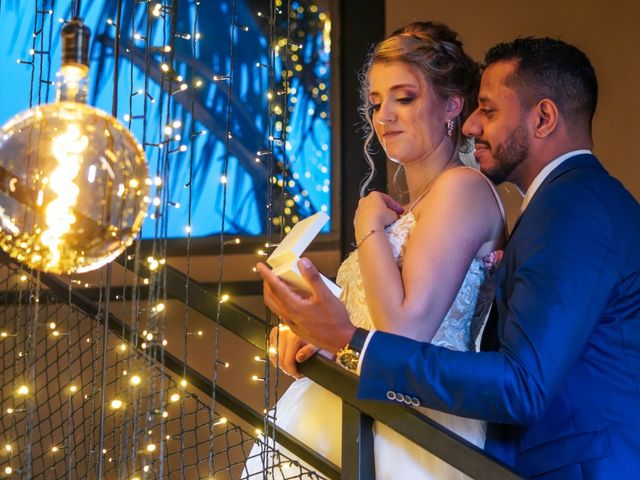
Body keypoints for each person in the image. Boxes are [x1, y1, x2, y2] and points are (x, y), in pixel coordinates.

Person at [258, 36, 640, 479]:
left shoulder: (575, 205)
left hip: (578, 465)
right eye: (376, 102)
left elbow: (522, 384)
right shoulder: (552, 207)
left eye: (489, 110)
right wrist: (318, 338)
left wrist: (351, 344)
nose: (473, 125)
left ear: (544, 118)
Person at [244, 22, 507, 479]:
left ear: (452, 105)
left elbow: (404, 333)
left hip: (414, 427)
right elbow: (365, 329)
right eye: (376, 102)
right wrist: (316, 338)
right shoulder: (411, 207)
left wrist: (366, 225)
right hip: (349, 409)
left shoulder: (463, 189)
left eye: (404, 98)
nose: (384, 115)